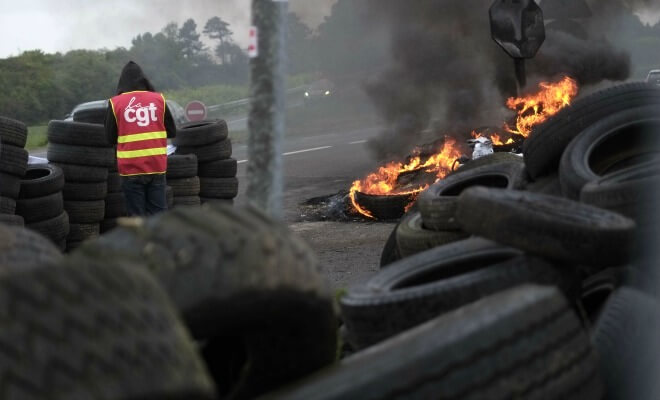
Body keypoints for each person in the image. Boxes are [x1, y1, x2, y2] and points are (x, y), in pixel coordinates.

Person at [105, 61, 176, 216]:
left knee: (137, 217)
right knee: (158, 214)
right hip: (156, 165)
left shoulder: (115, 103)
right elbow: (172, 131)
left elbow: (110, 138)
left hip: (130, 169)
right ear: (144, 80)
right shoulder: (158, 99)